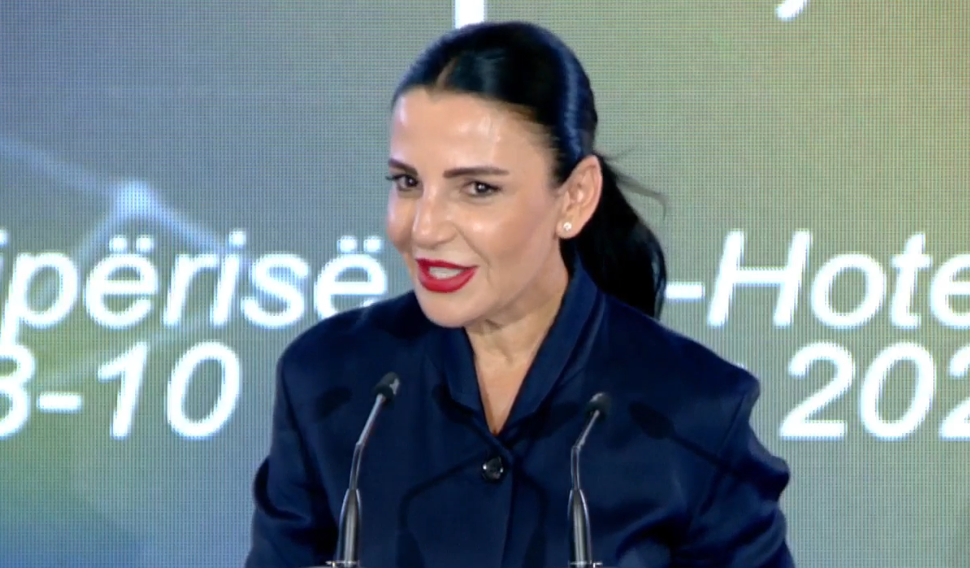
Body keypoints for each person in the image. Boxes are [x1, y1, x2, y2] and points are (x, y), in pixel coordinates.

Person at [245, 20, 794, 568]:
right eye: (408, 183)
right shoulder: (329, 382)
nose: (425, 228)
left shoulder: (695, 411)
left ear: (575, 198)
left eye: (478, 188)